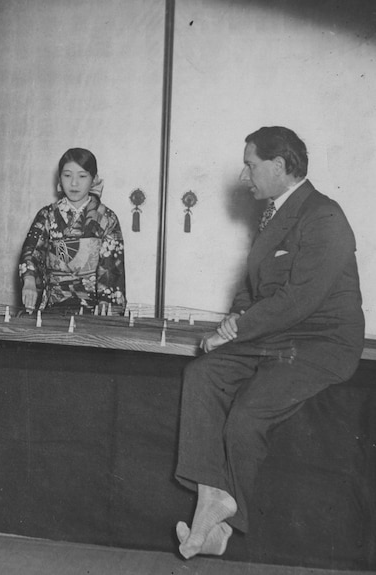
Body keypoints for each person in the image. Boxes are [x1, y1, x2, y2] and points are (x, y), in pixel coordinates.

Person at [174, 126, 364, 558]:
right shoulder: (274, 213)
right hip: (275, 333)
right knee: (202, 375)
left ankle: (223, 519)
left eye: (251, 165)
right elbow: (254, 282)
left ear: (279, 166)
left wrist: (235, 330)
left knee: (246, 415)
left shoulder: (325, 216)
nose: (245, 176)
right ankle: (211, 501)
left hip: (320, 342)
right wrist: (233, 318)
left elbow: (300, 299)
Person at [19, 148, 126, 314]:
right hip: (53, 304)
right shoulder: (47, 215)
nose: (74, 183)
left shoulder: (107, 218)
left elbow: (111, 270)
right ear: (59, 179)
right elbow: (31, 252)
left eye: (82, 176)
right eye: (67, 175)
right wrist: (29, 280)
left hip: (93, 307)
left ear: (94, 179)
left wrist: (106, 306)